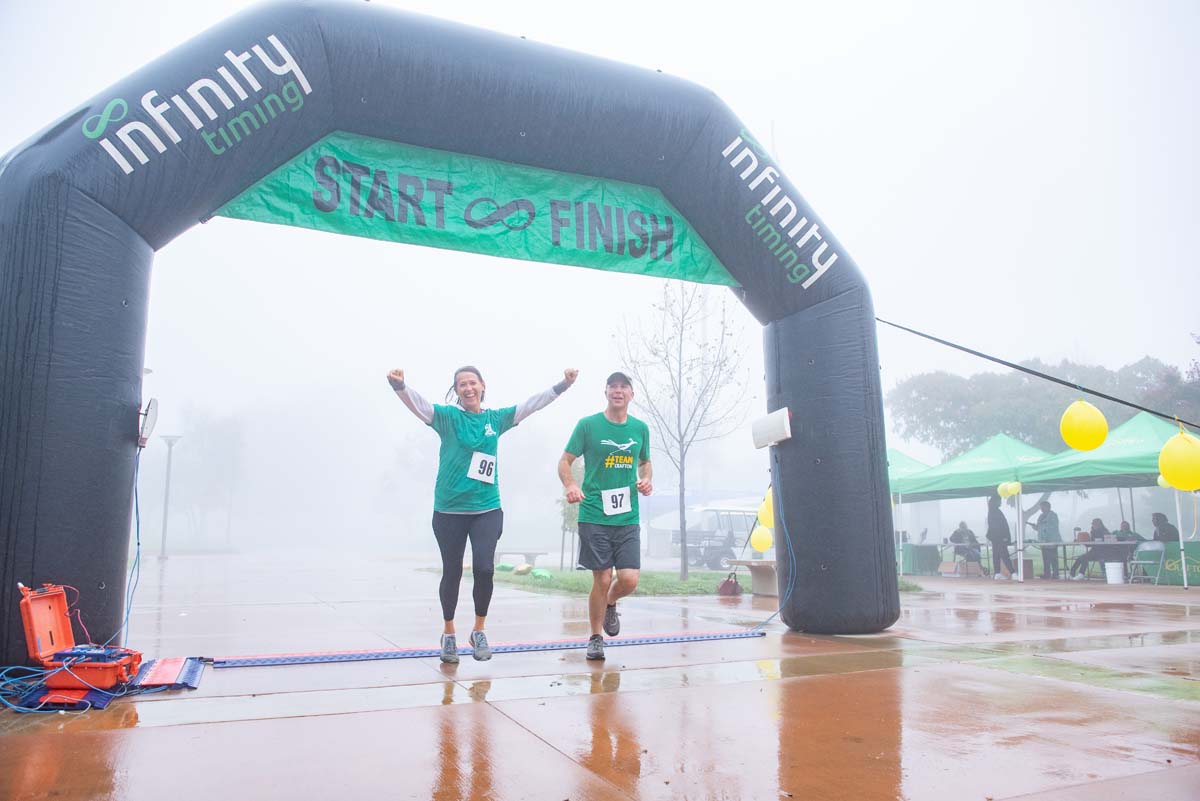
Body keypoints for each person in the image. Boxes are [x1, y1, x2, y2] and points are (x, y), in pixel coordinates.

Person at [388, 365, 578, 663]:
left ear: (482, 386)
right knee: (452, 571)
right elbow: (419, 406)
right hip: (449, 510)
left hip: (487, 508)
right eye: (462, 384)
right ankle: (449, 634)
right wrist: (399, 386)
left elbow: (531, 405)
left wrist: (562, 386)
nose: (468, 388)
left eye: (472, 383)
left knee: (485, 569)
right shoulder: (448, 418)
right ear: (456, 391)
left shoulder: (495, 419)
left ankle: (478, 630)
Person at [558, 371, 653, 661]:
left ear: (631, 394)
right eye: (613, 386)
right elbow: (565, 461)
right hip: (594, 512)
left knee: (629, 579)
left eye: (623, 387)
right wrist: (571, 485)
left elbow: (645, 462)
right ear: (606, 392)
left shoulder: (640, 429)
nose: (618, 391)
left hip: (627, 515)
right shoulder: (588, 425)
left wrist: (646, 479)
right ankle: (596, 638)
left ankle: (611, 601)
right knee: (602, 578)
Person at [1025, 500, 1062, 579]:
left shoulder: (1053, 516)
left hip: (1052, 540)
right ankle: (1047, 574)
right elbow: (1039, 528)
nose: (1041, 509)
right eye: (1041, 507)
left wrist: (1043, 526)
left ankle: (1055, 574)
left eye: (1043, 507)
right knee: (1045, 559)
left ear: (1048, 507)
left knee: (1053, 559)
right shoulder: (1041, 516)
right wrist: (1035, 527)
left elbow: (1053, 527)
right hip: (1043, 541)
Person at [985, 494, 1015, 579]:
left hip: (995, 537)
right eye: (999, 501)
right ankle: (1012, 573)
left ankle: (997, 573)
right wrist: (1004, 537)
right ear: (995, 501)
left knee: (997, 555)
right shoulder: (995, 511)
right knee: (1004, 555)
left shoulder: (992, 511)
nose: (1000, 502)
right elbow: (1000, 526)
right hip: (999, 538)